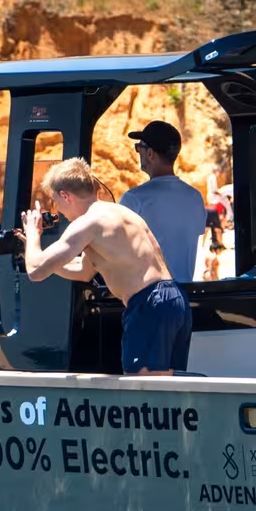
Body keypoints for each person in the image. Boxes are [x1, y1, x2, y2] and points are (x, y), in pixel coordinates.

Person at [25, 157, 190, 374]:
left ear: (66, 195)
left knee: (143, 389)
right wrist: (44, 258)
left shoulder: (87, 223)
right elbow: (84, 272)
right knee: (170, 390)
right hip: (173, 299)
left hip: (148, 303)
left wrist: (33, 237)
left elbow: (35, 272)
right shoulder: (119, 212)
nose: (59, 210)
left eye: (56, 201)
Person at [119, 120, 204, 282]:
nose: (138, 153)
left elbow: (117, 250)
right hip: (183, 296)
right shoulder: (195, 197)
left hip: (148, 298)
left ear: (150, 154)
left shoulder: (134, 199)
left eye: (139, 148)